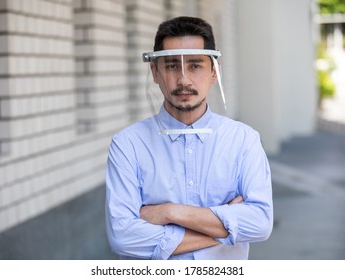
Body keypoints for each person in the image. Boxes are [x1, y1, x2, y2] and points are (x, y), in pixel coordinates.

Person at [105, 16, 273, 260]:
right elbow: (122, 237)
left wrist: (170, 212)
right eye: (172, 65)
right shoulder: (127, 144)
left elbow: (260, 223)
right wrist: (223, 225)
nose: (184, 79)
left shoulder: (243, 140)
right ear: (155, 71)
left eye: (195, 65)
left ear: (214, 71)